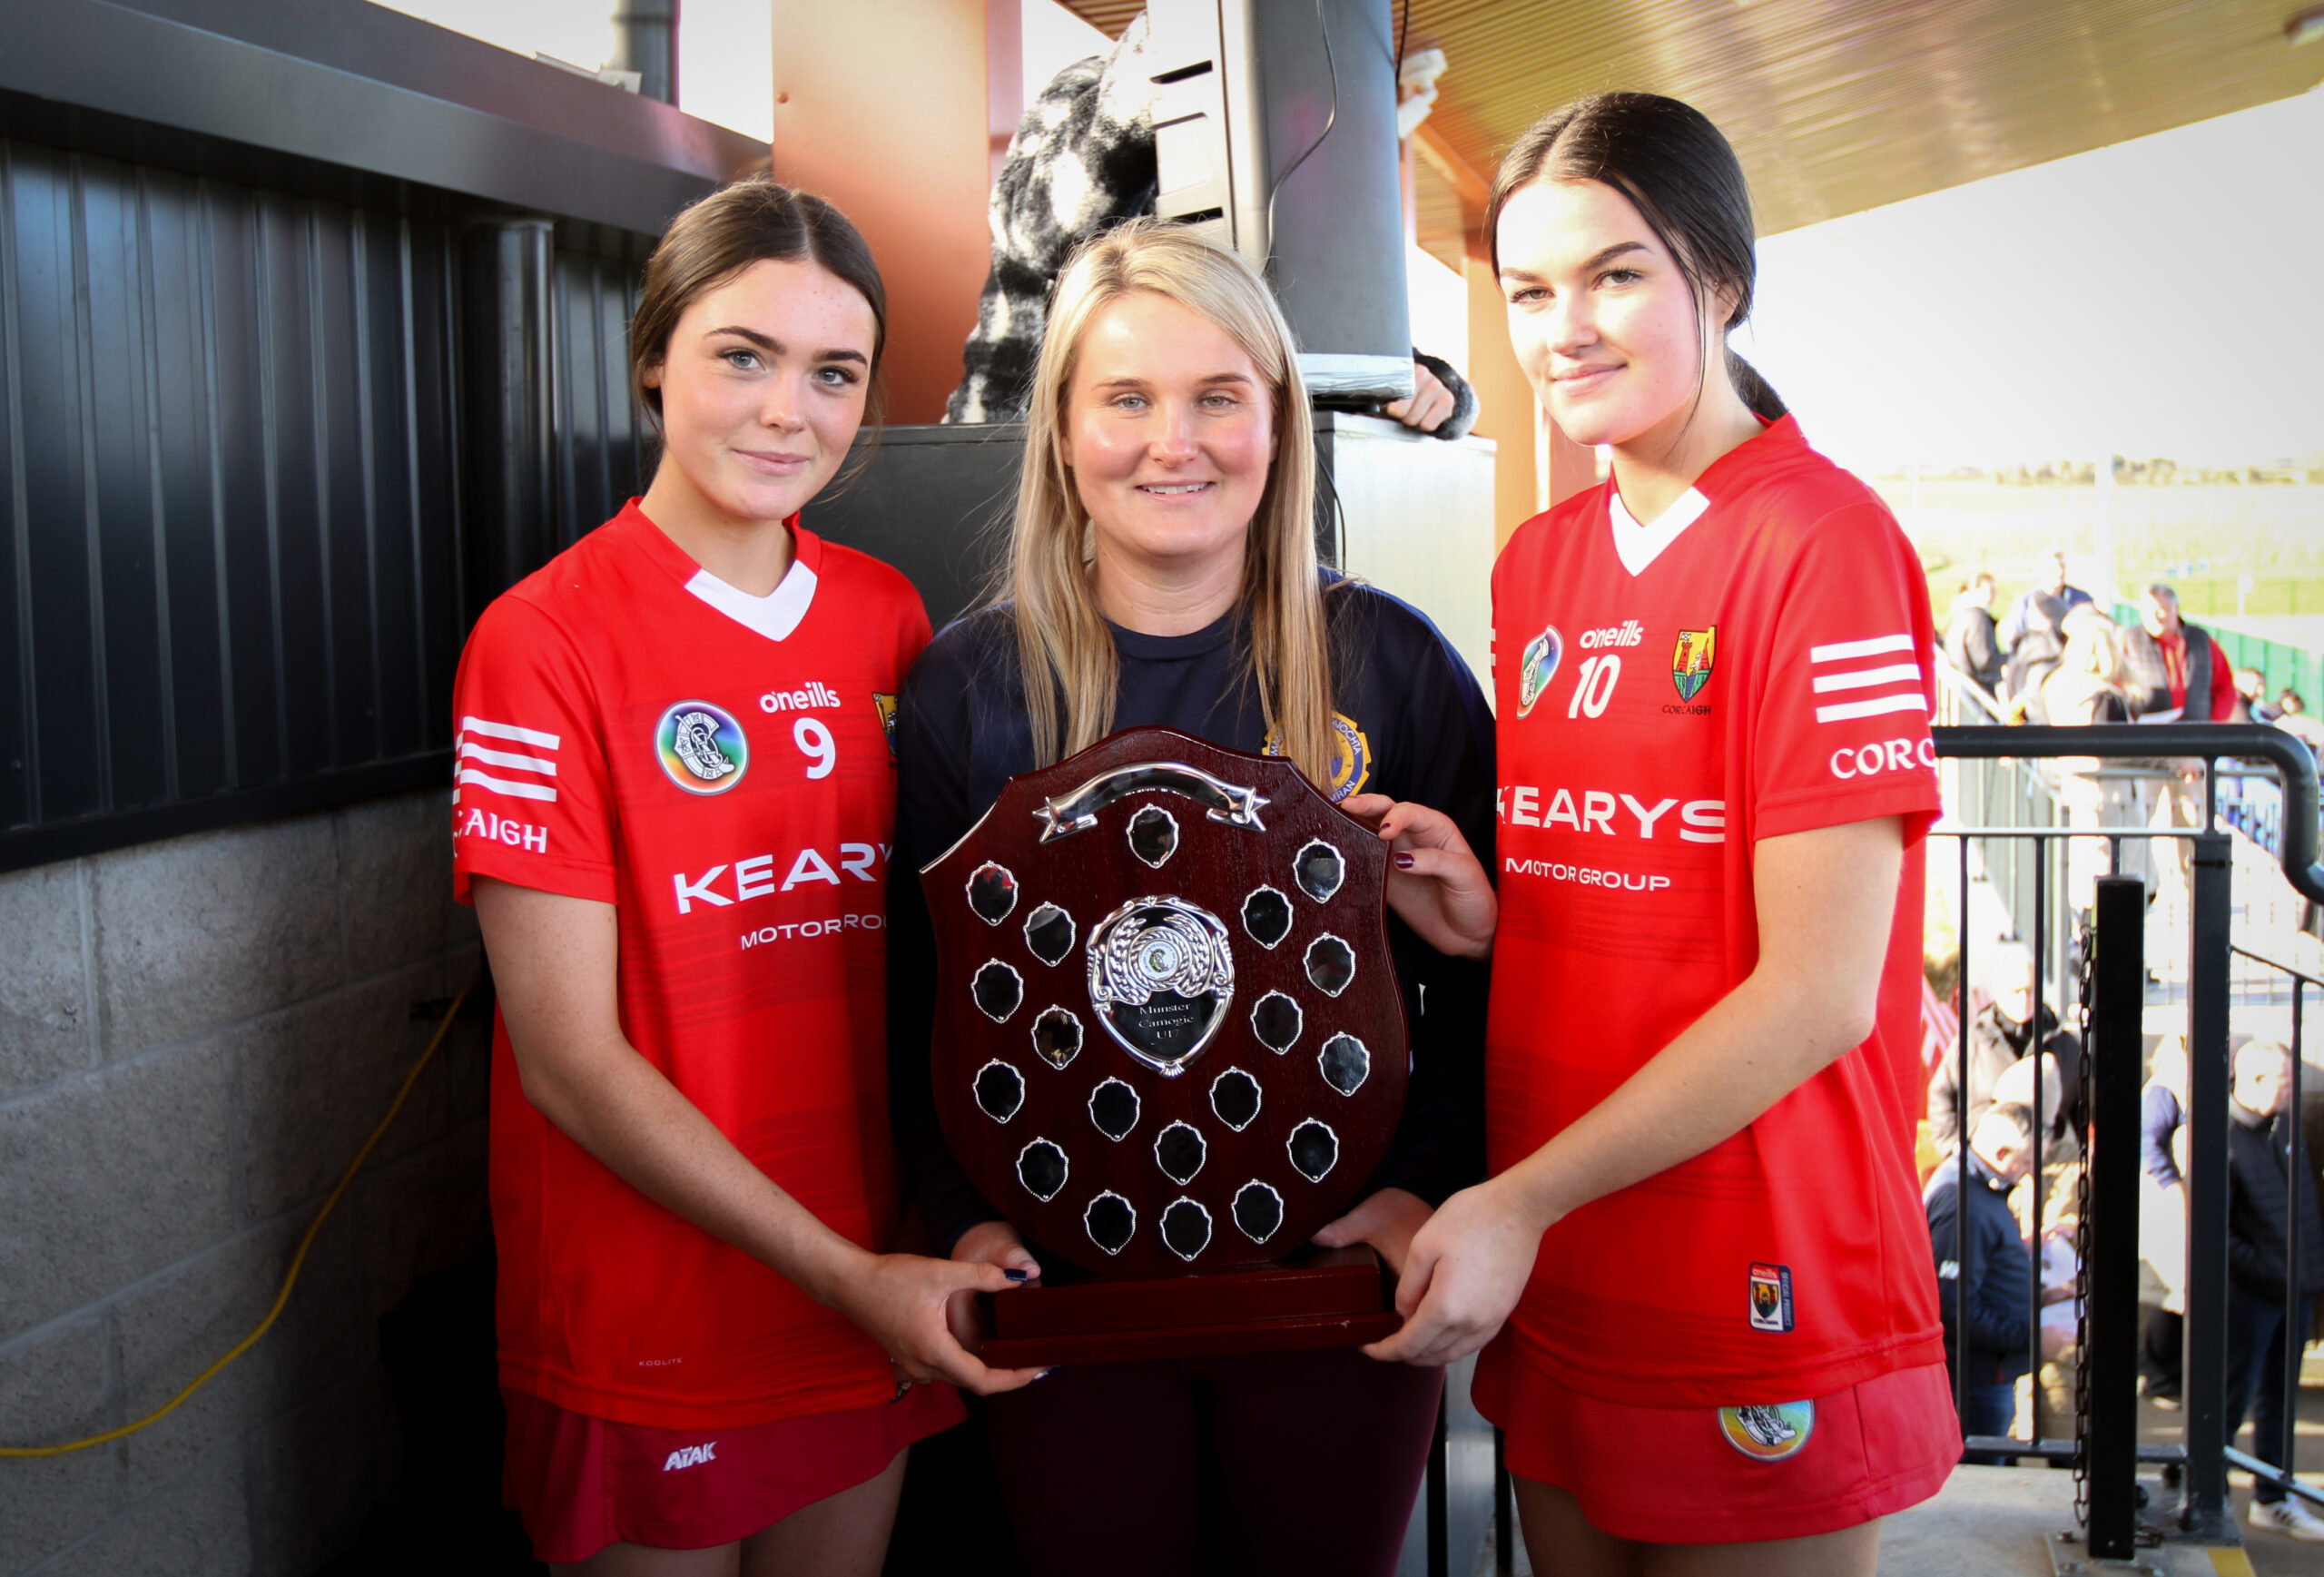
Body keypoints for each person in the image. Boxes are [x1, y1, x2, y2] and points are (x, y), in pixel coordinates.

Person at [1365, 92, 1956, 1573]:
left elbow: (1818, 992)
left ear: (1724, 280)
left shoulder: (1826, 545)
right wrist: (1500, 917)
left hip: (1749, 1264)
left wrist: (1515, 1200)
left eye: (1617, 274)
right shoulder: (1541, 562)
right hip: (1566, 1258)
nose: (1566, 325)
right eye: (1530, 290)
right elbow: (1653, 897)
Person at [887, 219, 1497, 1577]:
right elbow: (907, 1002)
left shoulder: (1390, 664)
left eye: (1219, 395)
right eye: (1128, 398)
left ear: (1278, 423)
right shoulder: (967, 690)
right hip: (1064, 1298)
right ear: (1058, 430)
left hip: (1340, 1294)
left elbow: (1489, 973)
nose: (1178, 440)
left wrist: (1419, 1191)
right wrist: (964, 1215)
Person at [451, 177, 1043, 1575]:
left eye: (833, 373)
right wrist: (853, 1274)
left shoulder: (885, 615)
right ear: (655, 354)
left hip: (871, 1292)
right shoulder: (540, 641)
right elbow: (569, 1062)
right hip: (659, 1317)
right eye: (742, 356)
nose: (789, 411)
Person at [2223, 1040, 2324, 1541]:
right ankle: (2206, 1494)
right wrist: (2263, 1270)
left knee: (2279, 1400)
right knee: (2229, 1396)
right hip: (2250, 1294)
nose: (2290, 1088)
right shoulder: (2222, 1139)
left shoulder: (2283, 1129)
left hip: (2294, 1289)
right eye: (2283, 1080)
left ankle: (2272, 1496)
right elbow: (2214, 1235)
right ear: (2254, 1080)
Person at [1925, 1103, 2038, 1464]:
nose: (2030, 1172)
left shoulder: (1983, 1192)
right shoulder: (1965, 1204)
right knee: (1981, 1467)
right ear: (2002, 1154)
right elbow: (1953, 1307)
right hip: (1975, 1377)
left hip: (1989, 1369)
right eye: (2027, 1162)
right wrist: (2031, 1335)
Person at [1926, 942, 2084, 1156]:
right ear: (1998, 991)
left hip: (2048, 1164)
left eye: (2030, 991)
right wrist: (1952, 1146)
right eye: (2016, 990)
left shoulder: (2062, 1043)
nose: (2024, 999)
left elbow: (2083, 1104)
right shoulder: (1972, 1042)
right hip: (1987, 1162)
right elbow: (1940, 1094)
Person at [2138, 1039, 2190, 1407]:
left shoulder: (2177, 1086)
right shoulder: (2164, 1090)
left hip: (2179, 1199)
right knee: (2168, 1293)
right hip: (2168, 1202)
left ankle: (2166, 1375)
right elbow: (2148, 1143)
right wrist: (2173, 1185)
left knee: (2175, 1293)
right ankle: (2160, 1378)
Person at [1997, 547, 2093, 656]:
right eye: (2054, 568)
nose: (2060, 572)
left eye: (2062, 566)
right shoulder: (2026, 603)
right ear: (2042, 570)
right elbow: (2014, 643)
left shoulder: (2081, 600)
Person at [1943, 574, 2004, 697]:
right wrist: (2012, 659)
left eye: (1994, 591)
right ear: (1975, 591)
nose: (1992, 595)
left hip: (1960, 688)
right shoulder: (1977, 617)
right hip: (1974, 690)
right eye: (1988, 590)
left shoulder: (1961, 614)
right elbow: (1984, 660)